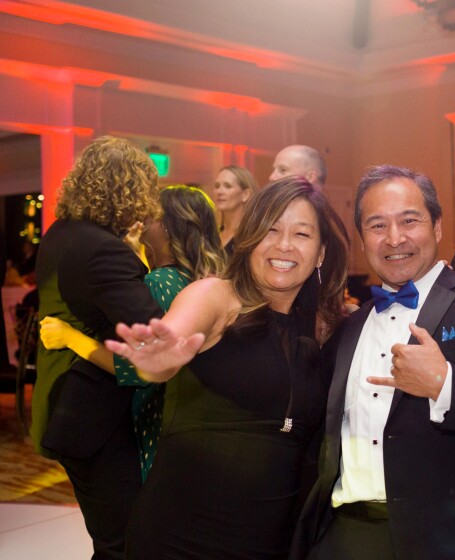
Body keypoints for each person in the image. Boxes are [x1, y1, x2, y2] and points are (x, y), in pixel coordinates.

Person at [292, 165, 455, 560]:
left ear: (436, 227)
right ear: (362, 239)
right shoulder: (347, 329)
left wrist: (445, 384)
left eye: (409, 221)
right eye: (377, 225)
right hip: (347, 538)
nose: (394, 238)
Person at [105, 177, 349, 559]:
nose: (284, 245)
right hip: (180, 536)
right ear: (249, 238)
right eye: (270, 230)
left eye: (301, 234)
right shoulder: (215, 296)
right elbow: (174, 338)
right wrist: (159, 361)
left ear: (320, 253)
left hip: (270, 542)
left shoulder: (326, 328)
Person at [40, 185, 227, 482]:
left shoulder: (159, 283)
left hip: (157, 421)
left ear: (166, 227)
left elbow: (134, 365)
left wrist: (69, 337)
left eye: (149, 217)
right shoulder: (208, 282)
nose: (141, 223)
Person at [34, 136, 164, 559]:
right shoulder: (105, 250)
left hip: (64, 396)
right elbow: (151, 331)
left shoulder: (61, 232)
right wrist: (146, 262)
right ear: (131, 189)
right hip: (94, 412)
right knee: (123, 542)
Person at [213, 165, 259, 254]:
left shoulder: (251, 236)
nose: (220, 191)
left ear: (245, 194)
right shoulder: (212, 234)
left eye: (227, 186)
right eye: (217, 186)